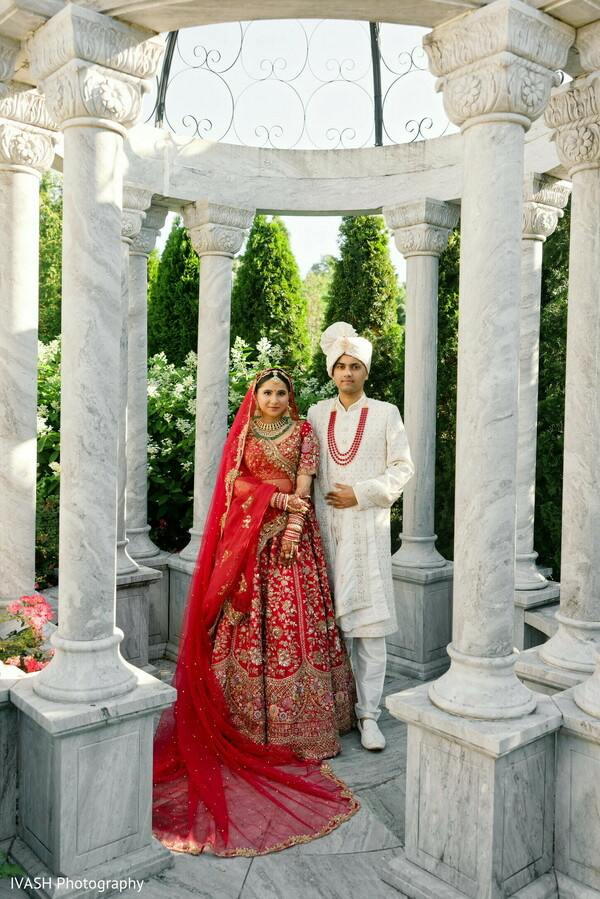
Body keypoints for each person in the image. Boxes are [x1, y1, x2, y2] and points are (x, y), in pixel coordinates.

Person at [153, 368, 358, 857]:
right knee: (245, 623)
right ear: (256, 395)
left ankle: (304, 727)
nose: (274, 398)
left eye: (281, 392)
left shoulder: (304, 431)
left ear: (290, 396)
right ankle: (246, 722)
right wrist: (273, 499)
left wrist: (292, 527)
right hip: (248, 539)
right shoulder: (244, 431)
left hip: (293, 539)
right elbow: (234, 483)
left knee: (295, 622)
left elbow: (305, 484)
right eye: (267, 392)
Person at [307, 322, 414, 752]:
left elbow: (402, 468)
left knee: (369, 630)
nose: (347, 373)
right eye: (341, 366)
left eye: (355, 366)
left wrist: (362, 493)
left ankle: (369, 715)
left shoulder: (386, 413)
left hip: (367, 533)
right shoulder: (317, 413)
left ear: (366, 372)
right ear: (332, 372)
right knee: (326, 630)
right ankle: (331, 713)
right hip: (323, 535)